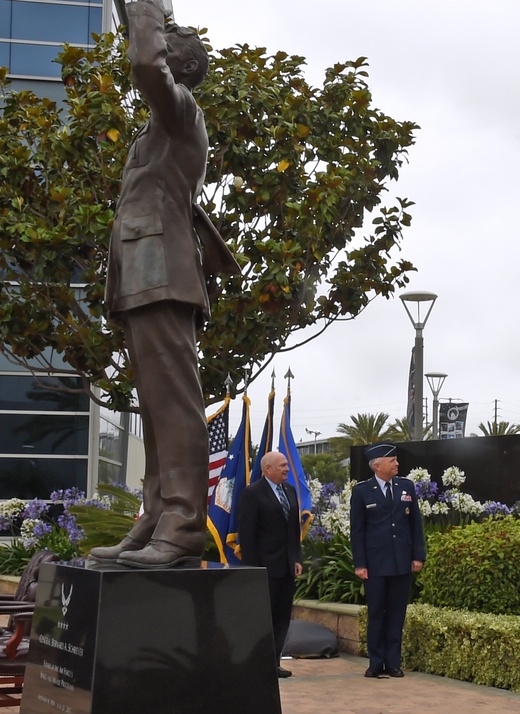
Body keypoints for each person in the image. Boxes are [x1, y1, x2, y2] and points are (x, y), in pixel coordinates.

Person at [89, 0, 238, 568]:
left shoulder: (181, 113)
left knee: (174, 405)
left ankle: (180, 526)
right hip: (143, 276)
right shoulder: (159, 128)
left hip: (164, 276)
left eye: (166, 37)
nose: (154, 40)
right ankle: (155, 516)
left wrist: (147, 8)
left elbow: (146, 65)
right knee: (155, 405)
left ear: (182, 62)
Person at [350, 442, 425, 678]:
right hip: (375, 565)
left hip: (401, 562)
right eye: (392, 461)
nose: (397, 464)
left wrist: (417, 556)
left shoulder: (406, 487)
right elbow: (358, 530)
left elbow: (416, 525)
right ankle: (375, 662)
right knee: (376, 613)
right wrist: (360, 564)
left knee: (396, 614)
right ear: (377, 465)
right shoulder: (362, 491)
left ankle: (393, 663)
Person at [237, 451, 304, 679]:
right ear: (268, 469)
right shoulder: (252, 493)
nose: (287, 469)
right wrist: (253, 569)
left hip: (286, 568)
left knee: (281, 618)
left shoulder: (290, 491)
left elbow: (293, 531)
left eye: (286, 465)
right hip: (264, 568)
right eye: (283, 465)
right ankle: (257, 662)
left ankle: (273, 663)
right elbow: (247, 535)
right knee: (262, 618)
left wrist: (296, 558)